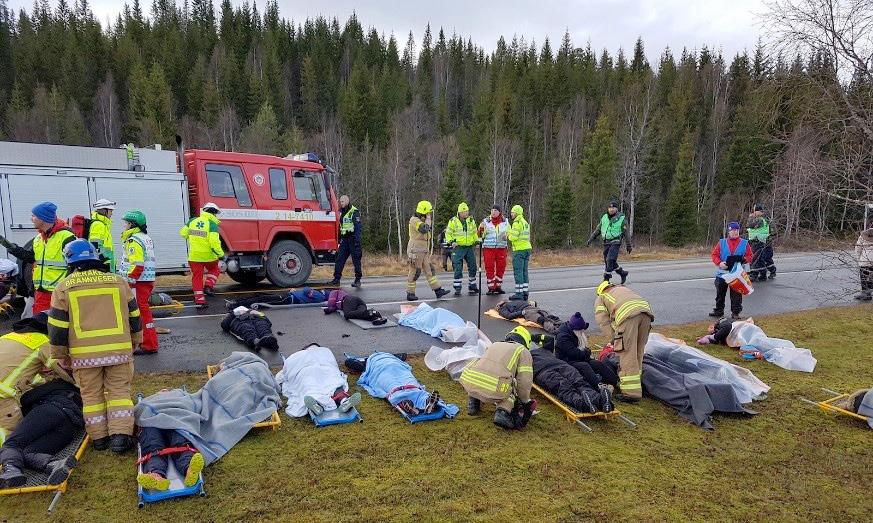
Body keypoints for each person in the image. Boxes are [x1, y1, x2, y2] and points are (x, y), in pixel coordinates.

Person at [47, 239, 142, 453]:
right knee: (119, 393)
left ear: (69, 261)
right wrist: (135, 341)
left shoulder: (64, 287)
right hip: (118, 351)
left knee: (91, 397)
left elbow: (57, 327)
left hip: (83, 356)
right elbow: (135, 316)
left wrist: (60, 355)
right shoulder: (118, 282)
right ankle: (120, 438)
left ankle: (99, 439)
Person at [0, 314, 74, 446]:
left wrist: (49, 379)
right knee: (11, 439)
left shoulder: (10, 336)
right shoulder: (42, 341)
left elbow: (21, 368)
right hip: (3, 398)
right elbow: (65, 371)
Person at [0, 378, 83, 489]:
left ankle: (11, 469)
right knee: (26, 453)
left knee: (12, 443)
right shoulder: (73, 391)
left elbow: (25, 400)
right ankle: (54, 464)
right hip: (69, 427)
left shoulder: (52, 384)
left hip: (49, 411)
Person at [0, 202, 76, 314]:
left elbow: (76, 266)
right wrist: (9, 246)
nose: (31, 219)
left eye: (34, 216)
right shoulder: (38, 239)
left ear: (43, 219)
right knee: (35, 324)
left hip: (60, 293)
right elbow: (30, 257)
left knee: (57, 326)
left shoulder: (67, 237)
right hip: (40, 292)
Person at [460, 328, 535, 430]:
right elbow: (524, 382)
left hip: (470, 381)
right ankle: (502, 412)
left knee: (483, 374)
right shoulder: (522, 351)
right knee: (513, 385)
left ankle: (473, 404)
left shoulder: (495, 344)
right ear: (526, 341)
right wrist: (524, 401)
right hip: (495, 388)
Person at [593, 281, 654, 402]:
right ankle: (638, 386)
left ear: (600, 291)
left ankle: (631, 393)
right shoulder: (621, 289)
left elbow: (603, 322)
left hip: (628, 318)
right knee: (638, 351)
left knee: (626, 353)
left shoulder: (601, 298)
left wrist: (613, 339)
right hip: (646, 314)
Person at [534, 312, 619, 388]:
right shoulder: (563, 338)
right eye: (581, 330)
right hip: (566, 361)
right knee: (584, 366)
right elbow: (575, 353)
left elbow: (581, 352)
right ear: (576, 330)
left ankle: (616, 381)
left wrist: (586, 354)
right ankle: (599, 387)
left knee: (597, 364)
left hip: (578, 357)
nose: (583, 332)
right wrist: (587, 352)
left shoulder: (573, 332)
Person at [274, 344, 362, 418]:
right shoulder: (323, 352)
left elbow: (286, 370)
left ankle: (317, 405)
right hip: (321, 370)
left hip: (310, 371)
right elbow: (333, 364)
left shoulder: (300, 355)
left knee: (310, 385)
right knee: (334, 383)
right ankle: (344, 400)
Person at [119, 210, 158, 354]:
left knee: (140, 313)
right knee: (143, 311)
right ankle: (148, 343)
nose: (124, 226)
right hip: (145, 280)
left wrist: (128, 281)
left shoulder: (133, 240)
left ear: (132, 224)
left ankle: (148, 345)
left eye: (126, 223)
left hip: (137, 282)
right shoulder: (145, 237)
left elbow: (137, 264)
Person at [530, 346, 613, 414]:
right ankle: (600, 400)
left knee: (564, 388)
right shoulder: (543, 349)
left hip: (543, 371)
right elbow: (550, 341)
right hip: (562, 365)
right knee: (580, 382)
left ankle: (582, 404)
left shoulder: (524, 354)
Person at [180, 202, 224, 308]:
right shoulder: (212, 224)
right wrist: (221, 254)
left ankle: (200, 301)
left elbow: (183, 233)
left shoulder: (192, 221)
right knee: (215, 268)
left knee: (197, 278)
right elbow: (214, 242)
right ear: (213, 213)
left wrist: (194, 236)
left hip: (194, 257)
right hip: (209, 257)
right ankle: (208, 286)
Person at [136, 424, 205, 491]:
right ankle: (188, 468)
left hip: (168, 419)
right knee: (180, 443)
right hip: (157, 421)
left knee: (153, 446)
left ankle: (156, 474)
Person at [405, 201, 450, 301]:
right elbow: (424, 229)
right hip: (415, 250)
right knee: (415, 270)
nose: (429, 215)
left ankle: (438, 290)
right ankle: (410, 293)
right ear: (423, 211)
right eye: (428, 213)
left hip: (423, 250)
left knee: (430, 269)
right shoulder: (414, 220)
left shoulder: (421, 219)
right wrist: (428, 220)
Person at [709, 222, 753, 319]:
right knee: (720, 293)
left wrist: (744, 259)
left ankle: (735, 313)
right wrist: (720, 263)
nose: (735, 232)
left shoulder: (745, 243)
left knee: (736, 294)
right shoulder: (721, 242)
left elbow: (750, 256)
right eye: (733, 230)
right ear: (729, 231)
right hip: (722, 273)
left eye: (737, 230)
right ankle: (719, 311)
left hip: (737, 274)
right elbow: (714, 255)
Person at [587, 199, 633, 283]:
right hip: (606, 242)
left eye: (613, 208)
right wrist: (591, 238)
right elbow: (598, 229)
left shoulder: (621, 218)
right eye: (610, 208)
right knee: (610, 261)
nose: (611, 209)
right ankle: (622, 273)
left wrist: (629, 245)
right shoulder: (604, 217)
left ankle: (606, 279)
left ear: (616, 209)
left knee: (610, 259)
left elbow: (626, 233)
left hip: (615, 242)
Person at [445, 202, 480, 296]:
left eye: (467, 211)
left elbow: (474, 232)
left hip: (469, 247)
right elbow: (448, 233)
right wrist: (451, 242)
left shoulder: (471, 220)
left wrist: (476, 241)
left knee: (473, 266)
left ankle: (472, 285)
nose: (466, 213)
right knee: (458, 267)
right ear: (460, 212)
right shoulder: (453, 221)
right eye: (464, 211)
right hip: (458, 247)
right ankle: (457, 287)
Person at [330, 195, 363, 287]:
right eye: (340, 202)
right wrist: (338, 240)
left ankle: (357, 280)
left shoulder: (354, 211)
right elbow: (341, 227)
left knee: (356, 260)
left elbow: (358, 227)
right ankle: (336, 279)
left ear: (347, 201)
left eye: (342, 201)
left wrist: (357, 241)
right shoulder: (341, 212)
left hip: (353, 239)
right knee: (339, 259)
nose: (341, 203)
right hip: (344, 240)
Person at [478, 204, 509, 295]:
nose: (493, 212)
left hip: (501, 248)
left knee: (501, 267)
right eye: (492, 210)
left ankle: (498, 286)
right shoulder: (486, 222)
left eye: (496, 210)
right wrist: (480, 229)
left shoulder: (505, 221)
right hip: (489, 248)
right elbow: (479, 234)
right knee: (489, 267)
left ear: (499, 212)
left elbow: (509, 232)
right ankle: (491, 287)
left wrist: (506, 236)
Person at [507, 204, 532, 301]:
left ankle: (519, 293)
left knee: (518, 272)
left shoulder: (516, 223)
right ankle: (525, 292)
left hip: (519, 250)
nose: (511, 214)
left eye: (512, 212)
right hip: (527, 249)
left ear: (516, 213)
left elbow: (514, 237)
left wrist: (508, 235)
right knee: (524, 271)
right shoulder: (525, 222)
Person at [495, 299, 562, 334]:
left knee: (550, 316)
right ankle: (557, 331)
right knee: (542, 319)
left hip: (532, 307)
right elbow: (508, 316)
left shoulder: (510, 302)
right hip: (526, 311)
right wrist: (522, 312)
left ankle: (563, 325)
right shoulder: (502, 309)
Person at [746, 204, 776, 282]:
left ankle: (754, 274)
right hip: (760, 242)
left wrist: (750, 217)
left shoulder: (760, 220)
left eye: (755, 211)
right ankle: (764, 274)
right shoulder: (766, 219)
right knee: (761, 259)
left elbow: (749, 225)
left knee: (756, 259)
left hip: (760, 242)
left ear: (760, 211)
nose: (754, 213)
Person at [88, 199, 117, 273]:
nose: (112, 214)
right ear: (104, 211)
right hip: (102, 267)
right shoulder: (98, 225)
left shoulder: (104, 225)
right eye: (110, 211)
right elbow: (95, 246)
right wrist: (105, 262)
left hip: (105, 266)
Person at [854, 227, 873, 301]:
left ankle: (866, 294)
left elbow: (858, 249)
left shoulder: (863, 235)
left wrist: (859, 260)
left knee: (864, 278)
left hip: (865, 261)